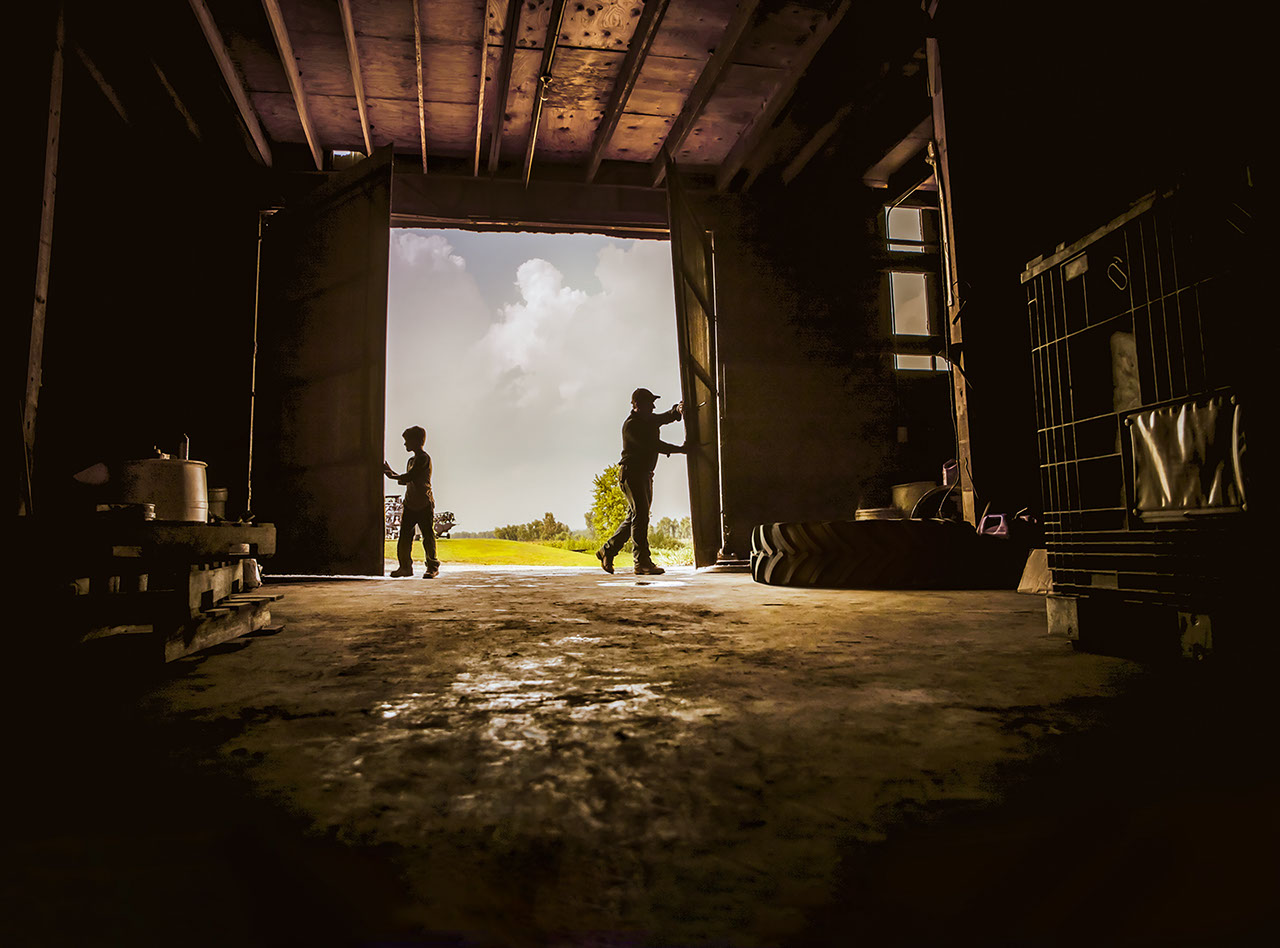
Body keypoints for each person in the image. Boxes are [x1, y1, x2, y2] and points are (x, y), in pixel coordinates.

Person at [597, 388, 686, 576]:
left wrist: (677, 410)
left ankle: (608, 550)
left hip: (644, 475)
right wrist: (681, 449)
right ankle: (642, 562)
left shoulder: (648, 420)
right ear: (637, 405)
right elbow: (653, 445)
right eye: (649, 403)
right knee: (641, 516)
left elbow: (665, 417)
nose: (653, 406)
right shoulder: (631, 426)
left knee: (635, 518)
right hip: (632, 475)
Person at [383, 426, 441, 579]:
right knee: (404, 538)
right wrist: (394, 475)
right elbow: (407, 480)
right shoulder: (411, 460)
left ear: (416, 441)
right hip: (410, 503)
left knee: (428, 537)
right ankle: (405, 567)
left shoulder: (423, 458)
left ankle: (432, 566)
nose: (405, 444)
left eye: (407, 441)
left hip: (424, 504)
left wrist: (391, 474)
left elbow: (410, 476)